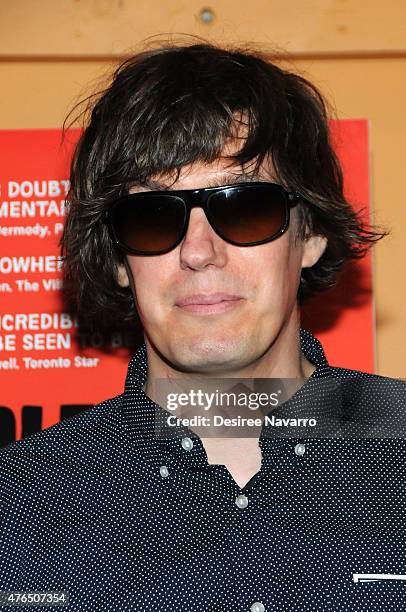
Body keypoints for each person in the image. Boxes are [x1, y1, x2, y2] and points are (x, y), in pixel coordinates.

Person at [1, 39, 406, 612]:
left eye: (245, 207)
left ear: (310, 234)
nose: (198, 252)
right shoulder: (19, 504)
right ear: (119, 259)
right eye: (152, 215)